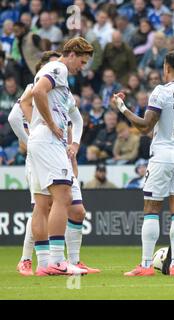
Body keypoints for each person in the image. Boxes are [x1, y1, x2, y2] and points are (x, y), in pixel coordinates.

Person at [112, 51, 174, 276]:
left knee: (152, 209)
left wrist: (122, 107)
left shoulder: (161, 91)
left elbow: (145, 126)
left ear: (166, 68)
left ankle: (146, 265)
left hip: (163, 156)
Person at [9, 51, 99, 276]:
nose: (79, 67)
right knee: (49, 204)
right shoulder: (38, 84)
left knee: (70, 208)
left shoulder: (64, 91)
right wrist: (31, 139)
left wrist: (74, 146)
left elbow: (75, 120)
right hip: (45, 148)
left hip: (59, 151)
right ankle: (35, 259)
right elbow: (13, 116)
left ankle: (59, 262)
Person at [28, 38, 93, 276]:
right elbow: (37, 92)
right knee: (63, 197)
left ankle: (44, 264)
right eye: (82, 61)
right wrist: (51, 122)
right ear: (72, 54)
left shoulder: (58, 73)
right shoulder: (58, 68)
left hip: (38, 140)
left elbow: (73, 116)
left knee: (42, 203)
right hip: (48, 140)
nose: (82, 67)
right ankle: (58, 260)